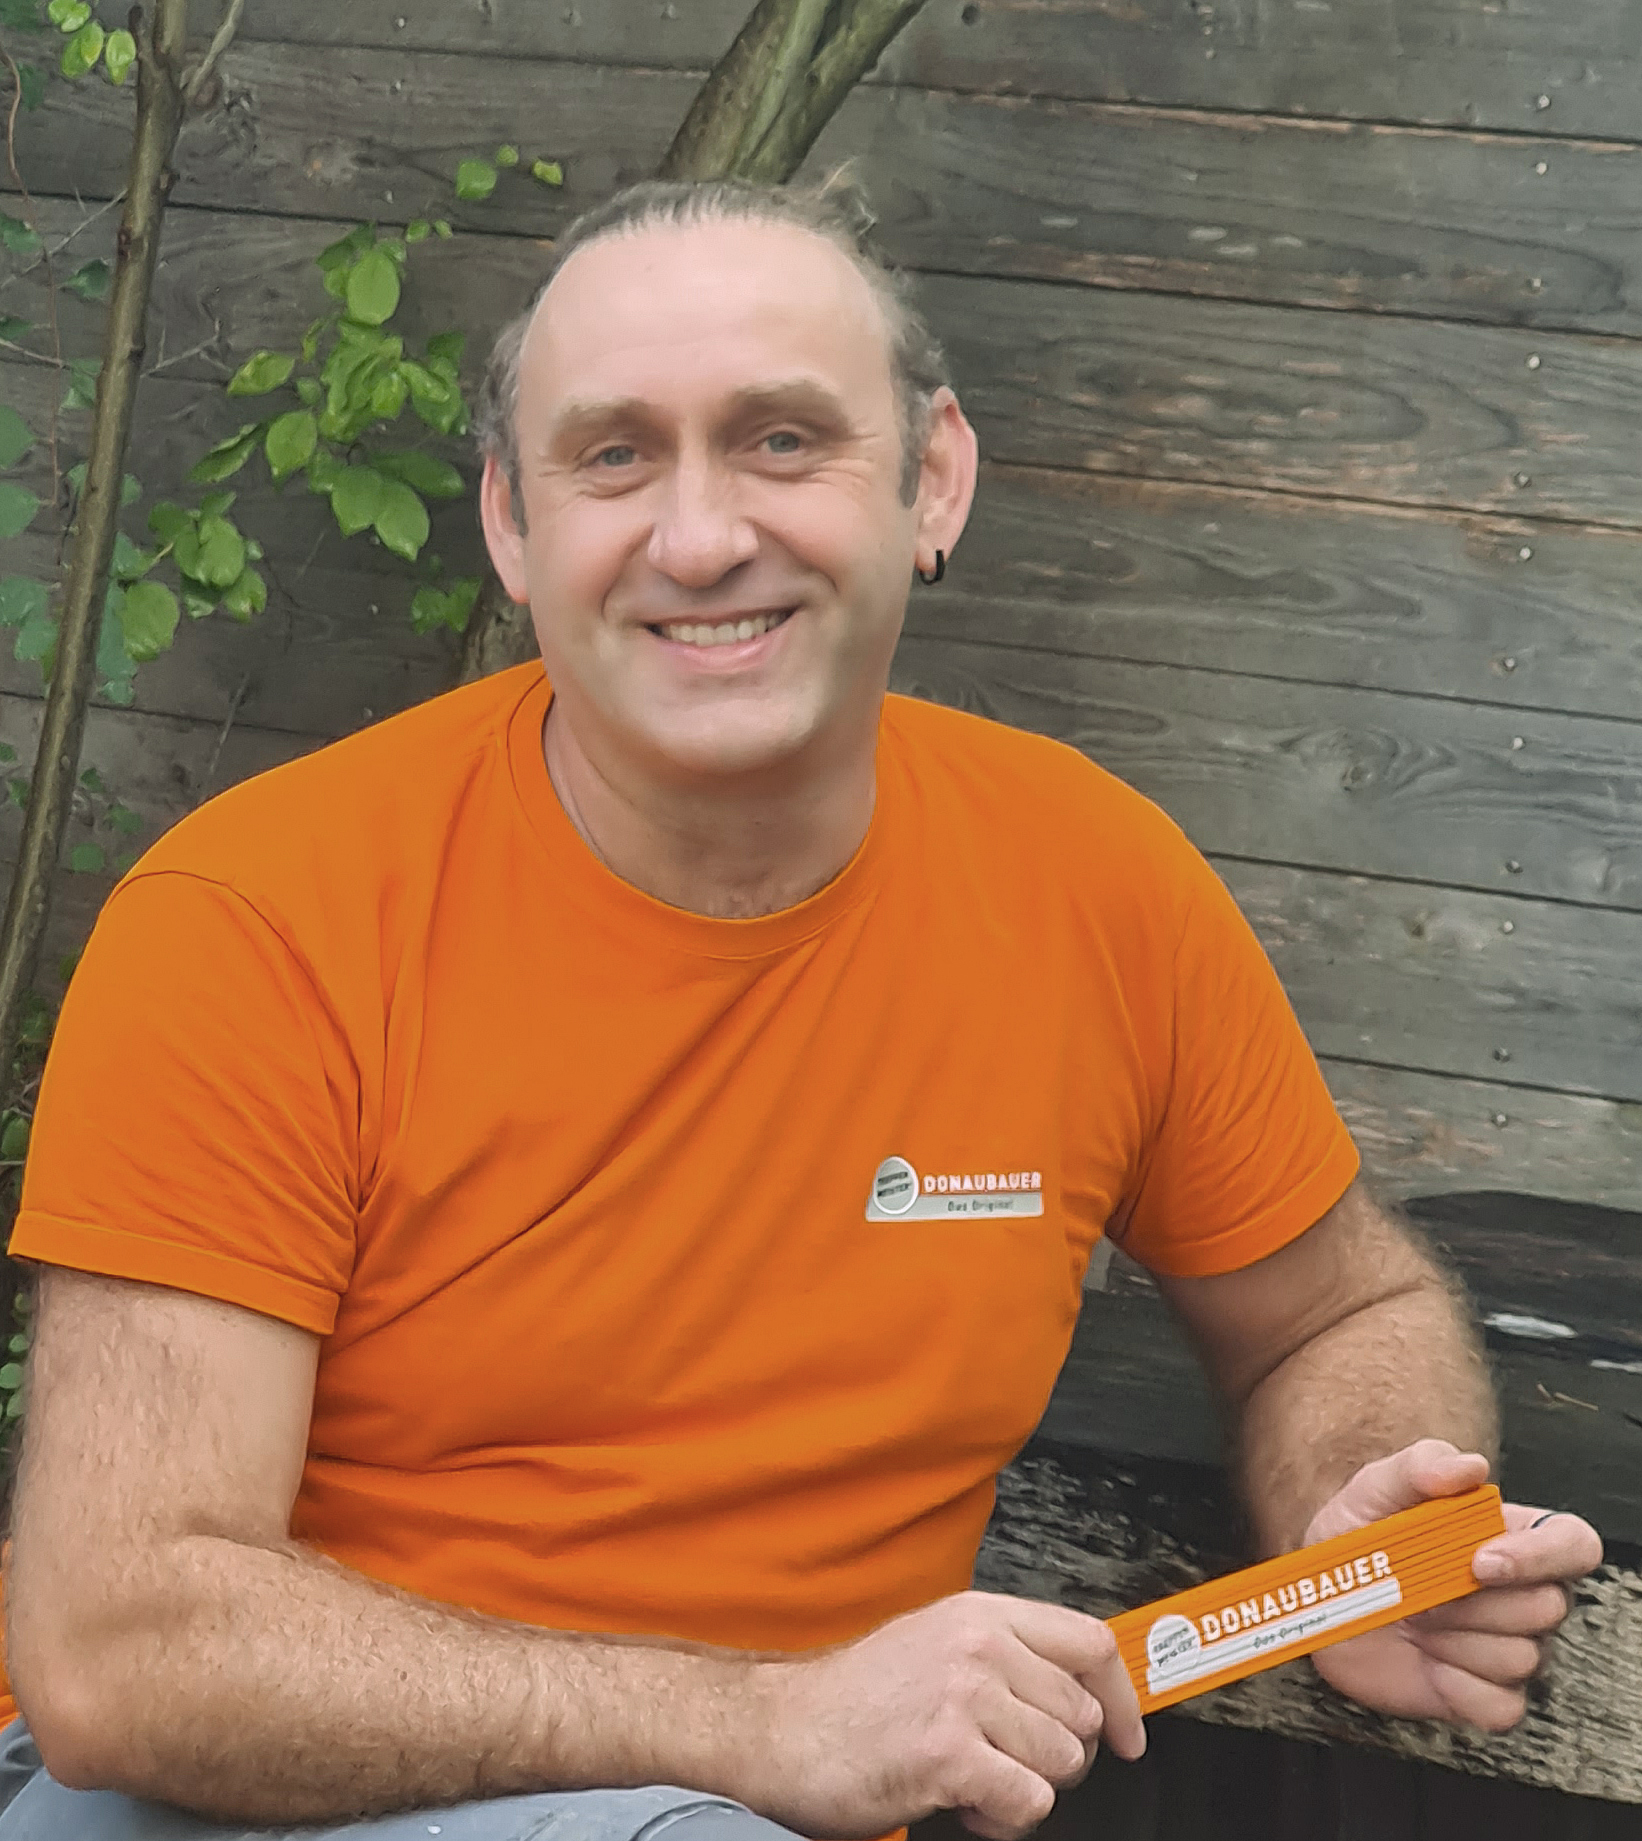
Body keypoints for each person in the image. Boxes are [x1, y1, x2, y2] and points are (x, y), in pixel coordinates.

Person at [0, 176, 1602, 1841]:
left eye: (780, 440)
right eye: (613, 456)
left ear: (933, 479)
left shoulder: (1091, 882)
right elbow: (122, 1649)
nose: (698, 538)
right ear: (511, 525)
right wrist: (757, 1722)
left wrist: (1364, 1526)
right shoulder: (262, 917)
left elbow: (1335, 1311)